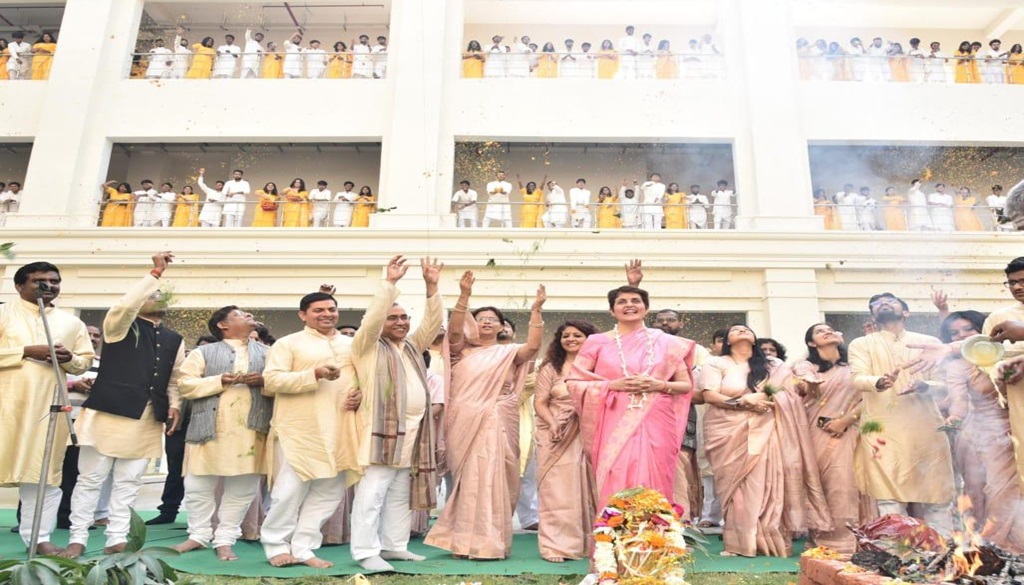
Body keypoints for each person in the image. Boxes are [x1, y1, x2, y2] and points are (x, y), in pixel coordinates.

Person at [61, 252, 185, 558]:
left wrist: (175, 405)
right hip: (107, 413)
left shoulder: (174, 338)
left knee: (129, 482)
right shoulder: (119, 326)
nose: (158, 296)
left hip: (146, 418)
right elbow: (125, 305)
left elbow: (174, 378)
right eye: (151, 293)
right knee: (90, 479)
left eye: (159, 293)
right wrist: (155, 273)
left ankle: (116, 537)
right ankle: (77, 537)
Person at [424, 272, 546, 560]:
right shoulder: (459, 352)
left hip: (498, 418)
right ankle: (461, 541)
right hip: (465, 421)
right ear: (472, 325)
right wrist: (464, 295)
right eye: (482, 318)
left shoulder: (509, 352)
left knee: (492, 477)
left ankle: (490, 542)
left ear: (502, 326)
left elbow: (533, 348)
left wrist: (537, 311)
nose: (488, 321)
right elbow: (453, 331)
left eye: (494, 318)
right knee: (469, 481)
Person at [348, 256, 444, 571]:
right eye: (393, 318)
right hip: (381, 433)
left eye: (404, 317)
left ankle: (394, 546)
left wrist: (432, 287)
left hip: (413, 432)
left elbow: (430, 326)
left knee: (400, 491)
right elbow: (373, 319)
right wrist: (389, 284)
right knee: (373, 491)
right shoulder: (368, 346)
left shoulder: (412, 348)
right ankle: (365, 551)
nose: (401, 322)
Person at [701, 324, 831, 557]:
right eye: (735, 329)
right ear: (727, 340)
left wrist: (766, 395)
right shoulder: (716, 363)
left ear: (754, 338)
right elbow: (709, 395)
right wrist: (743, 402)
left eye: (746, 328)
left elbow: (788, 391)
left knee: (766, 484)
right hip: (726, 431)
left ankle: (769, 540)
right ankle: (740, 543)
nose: (741, 330)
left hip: (767, 426)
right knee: (734, 488)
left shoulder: (774, 365)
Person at [567, 283, 694, 512]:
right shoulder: (596, 341)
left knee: (656, 471)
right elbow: (575, 382)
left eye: (635, 301)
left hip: (657, 417)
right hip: (614, 417)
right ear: (611, 311)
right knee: (617, 470)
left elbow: (685, 386)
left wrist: (660, 384)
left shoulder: (668, 342)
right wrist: (613, 385)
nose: (629, 306)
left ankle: (658, 540)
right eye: (622, 302)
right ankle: (614, 538)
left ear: (646, 308)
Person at [260, 287, 362, 568]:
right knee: (288, 491)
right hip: (299, 428)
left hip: (341, 427)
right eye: (318, 310)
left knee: (329, 492)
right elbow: (272, 381)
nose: (326, 315)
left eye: (331, 309)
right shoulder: (288, 343)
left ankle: (304, 548)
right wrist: (313, 374)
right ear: (303, 315)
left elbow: (362, 378)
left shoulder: (350, 344)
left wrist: (360, 393)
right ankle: (275, 545)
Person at [0, 262, 94, 554]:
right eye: (40, 281)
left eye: (54, 281)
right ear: (19, 286)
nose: (49, 286)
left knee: (42, 475)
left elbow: (85, 361)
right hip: (6, 407)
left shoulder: (71, 323)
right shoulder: (3, 313)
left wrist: (67, 358)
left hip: (47, 410)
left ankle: (38, 538)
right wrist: (26, 352)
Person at [172, 306, 271, 561]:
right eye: (240, 314)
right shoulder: (202, 352)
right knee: (198, 484)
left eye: (249, 313)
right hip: (209, 427)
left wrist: (262, 381)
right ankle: (198, 535)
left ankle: (226, 539)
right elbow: (185, 385)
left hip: (252, 430)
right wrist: (221, 380)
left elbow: (279, 382)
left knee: (243, 487)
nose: (249, 316)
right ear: (222, 325)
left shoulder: (269, 353)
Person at [848, 292, 953, 533]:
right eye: (876, 303)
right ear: (873, 315)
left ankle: (944, 551)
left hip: (926, 426)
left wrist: (925, 386)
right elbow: (858, 377)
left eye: (891, 301)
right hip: (882, 427)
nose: (883, 304)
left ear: (906, 312)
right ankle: (896, 554)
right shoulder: (862, 343)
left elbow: (944, 382)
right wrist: (879, 381)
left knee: (936, 493)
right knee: (888, 495)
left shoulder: (928, 342)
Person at [940, 310, 1024, 552]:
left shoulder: (1009, 356)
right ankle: (1004, 547)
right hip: (990, 435)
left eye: (967, 329)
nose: (962, 335)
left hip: (1019, 426)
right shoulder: (957, 368)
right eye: (954, 333)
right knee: (995, 490)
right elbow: (959, 402)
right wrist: (953, 419)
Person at [792, 323, 861, 553]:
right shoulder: (807, 366)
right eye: (820, 331)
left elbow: (869, 398)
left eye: (830, 329)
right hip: (815, 431)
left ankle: (846, 540)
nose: (827, 331)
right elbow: (804, 384)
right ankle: (821, 537)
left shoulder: (855, 365)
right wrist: (809, 385)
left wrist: (845, 421)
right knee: (819, 482)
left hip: (849, 429)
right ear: (811, 343)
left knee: (845, 483)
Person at [534, 320, 599, 563]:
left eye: (577, 335)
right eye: (565, 336)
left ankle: (590, 543)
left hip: (590, 432)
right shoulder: (551, 367)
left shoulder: (599, 366)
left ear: (589, 339)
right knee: (556, 489)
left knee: (589, 486)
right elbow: (540, 401)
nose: (570, 339)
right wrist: (553, 423)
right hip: (556, 433)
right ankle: (556, 546)